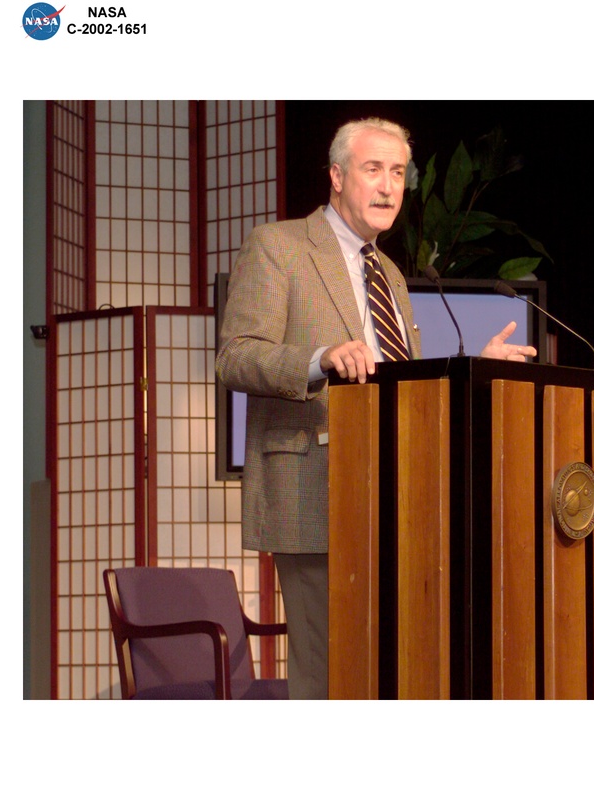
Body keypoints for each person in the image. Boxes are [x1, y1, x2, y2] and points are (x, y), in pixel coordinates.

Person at [216, 117, 535, 699]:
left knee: (388, 670)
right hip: (314, 486)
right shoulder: (280, 247)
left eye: (397, 173)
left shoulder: (388, 272)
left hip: (396, 495)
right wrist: (319, 359)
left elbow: (400, 384)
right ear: (337, 177)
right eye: (373, 170)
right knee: (329, 671)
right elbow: (236, 356)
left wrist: (473, 369)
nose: (389, 187)